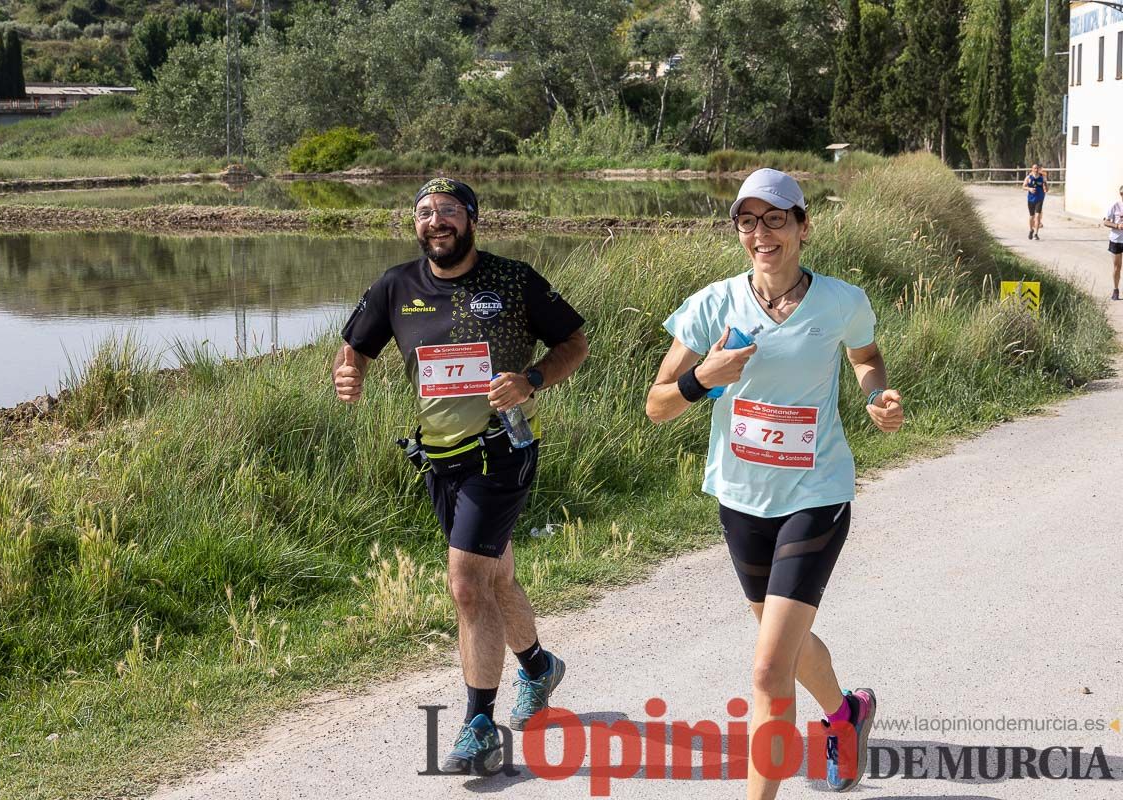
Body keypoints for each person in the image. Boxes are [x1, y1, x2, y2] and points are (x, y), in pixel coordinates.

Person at [645, 168, 904, 797]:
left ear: (803, 226)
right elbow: (656, 404)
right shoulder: (712, 304)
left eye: (775, 219)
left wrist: (878, 396)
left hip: (817, 494)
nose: (761, 234)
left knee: (766, 669)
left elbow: (865, 359)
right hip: (740, 498)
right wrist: (705, 377)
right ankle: (846, 715)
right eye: (747, 221)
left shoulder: (843, 301)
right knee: (780, 643)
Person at [334, 177, 589, 773]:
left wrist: (531, 379)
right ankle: (537, 666)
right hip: (438, 455)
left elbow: (573, 341)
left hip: (501, 450)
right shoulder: (395, 285)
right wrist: (348, 376)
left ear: (472, 219)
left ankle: (479, 723)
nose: (436, 220)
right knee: (495, 579)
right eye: (425, 212)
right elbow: (354, 347)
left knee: (466, 583)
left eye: (449, 210)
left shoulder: (512, 278)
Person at [1103, 185, 1123, 301]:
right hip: (1116, 240)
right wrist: (1117, 225)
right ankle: (1115, 290)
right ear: (1121, 194)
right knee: (1117, 267)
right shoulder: (1114, 206)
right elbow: (1105, 222)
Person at [1023, 164, 1047, 240]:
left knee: (1037, 216)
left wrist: (1045, 186)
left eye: (1037, 168)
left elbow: (1047, 188)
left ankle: (1036, 234)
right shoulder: (1028, 177)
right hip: (1031, 199)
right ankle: (1031, 230)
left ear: (1038, 169)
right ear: (1032, 169)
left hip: (1039, 198)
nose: (1036, 170)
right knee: (1031, 216)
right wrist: (1029, 189)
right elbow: (1023, 186)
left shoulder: (1042, 177)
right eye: (1034, 168)